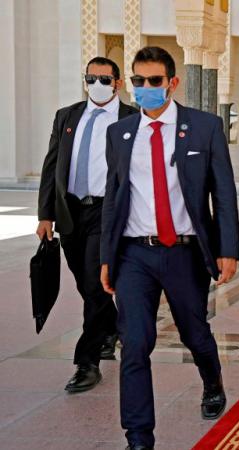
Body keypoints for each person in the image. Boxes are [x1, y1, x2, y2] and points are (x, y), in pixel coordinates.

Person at [99, 47, 239, 450]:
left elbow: (223, 193)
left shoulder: (204, 128)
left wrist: (227, 248)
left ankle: (211, 381)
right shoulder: (120, 133)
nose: (145, 88)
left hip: (184, 251)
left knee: (195, 332)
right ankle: (139, 437)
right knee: (135, 342)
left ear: (172, 83)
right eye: (138, 81)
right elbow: (113, 197)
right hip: (134, 254)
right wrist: (107, 258)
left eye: (154, 81)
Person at [36, 56, 138, 393]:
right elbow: (52, 167)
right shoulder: (67, 116)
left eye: (105, 79)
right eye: (91, 78)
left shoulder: (131, 119)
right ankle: (109, 327)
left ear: (117, 84)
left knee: (95, 285)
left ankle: (87, 361)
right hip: (70, 213)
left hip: (106, 213)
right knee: (84, 282)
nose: (97, 84)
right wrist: (45, 215)